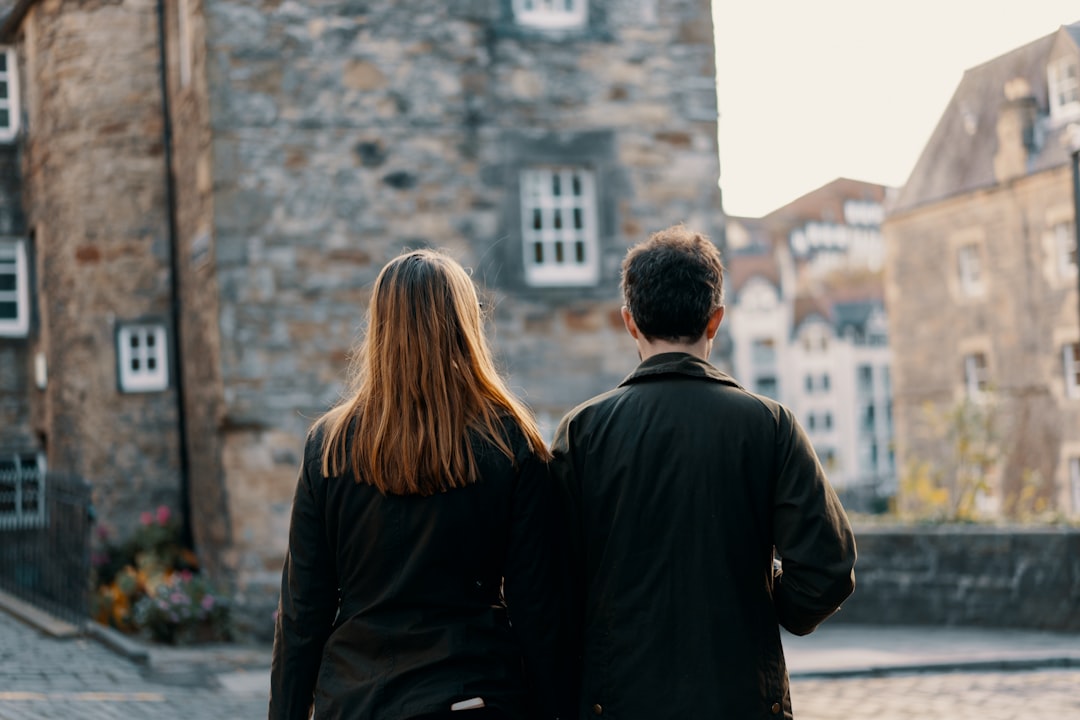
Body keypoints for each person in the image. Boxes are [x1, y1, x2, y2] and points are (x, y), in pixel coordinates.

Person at [550, 225, 856, 719]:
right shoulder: (769, 425)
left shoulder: (583, 432)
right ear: (716, 321)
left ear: (630, 322)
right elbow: (827, 569)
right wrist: (768, 609)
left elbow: (551, 581)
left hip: (619, 699)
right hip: (740, 697)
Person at [270, 249, 567, 720]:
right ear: (464, 326)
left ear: (380, 328)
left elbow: (302, 614)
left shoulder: (327, 447)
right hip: (473, 694)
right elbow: (538, 611)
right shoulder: (511, 442)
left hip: (355, 700)